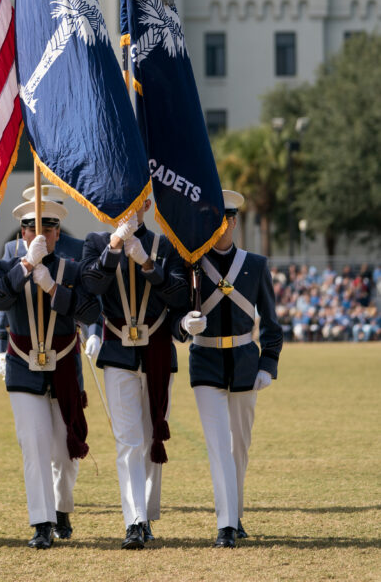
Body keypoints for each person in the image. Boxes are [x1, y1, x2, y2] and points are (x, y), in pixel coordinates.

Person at [174, 189, 283, 548]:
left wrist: (268, 364)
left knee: (240, 447)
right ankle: (225, 525)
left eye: (226, 220)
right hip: (204, 362)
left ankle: (234, 515)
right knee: (218, 445)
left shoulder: (256, 264)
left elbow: (271, 323)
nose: (220, 227)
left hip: (245, 365)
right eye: (214, 221)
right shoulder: (192, 264)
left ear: (234, 222)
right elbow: (174, 314)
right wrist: (183, 326)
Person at [0, 199, 100, 549]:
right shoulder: (8, 264)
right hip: (23, 365)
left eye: (49, 229)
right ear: (23, 233)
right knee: (33, 445)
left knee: (64, 451)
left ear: (57, 234)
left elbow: (91, 308)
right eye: (34, 229)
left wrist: (53, 287)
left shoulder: (73, 269)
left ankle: (62, 507)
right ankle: (41, 521)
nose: (43, 235)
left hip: (64, 365)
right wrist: (25, 265)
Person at [81, 198, 189, 549]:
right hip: (118, 353)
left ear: (145, 203)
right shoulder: (96, 242)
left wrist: (146, 261)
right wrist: (114, 247)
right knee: (128, 441)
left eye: (136, 201)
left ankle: (146, 512)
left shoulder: (164, 245)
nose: (130, 208)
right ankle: (135, 521)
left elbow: (178, 293)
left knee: (151, 436)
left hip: (157, 349)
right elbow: (92, 287)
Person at [0, 184, 84, 383]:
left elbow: (86, 296)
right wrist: (1, 343)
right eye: (33, 228)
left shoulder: (77, 247)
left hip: (64, 336)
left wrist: (91, 332)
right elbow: (4, 299)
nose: (40, 235)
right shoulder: (14, 248)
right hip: (24, 337)